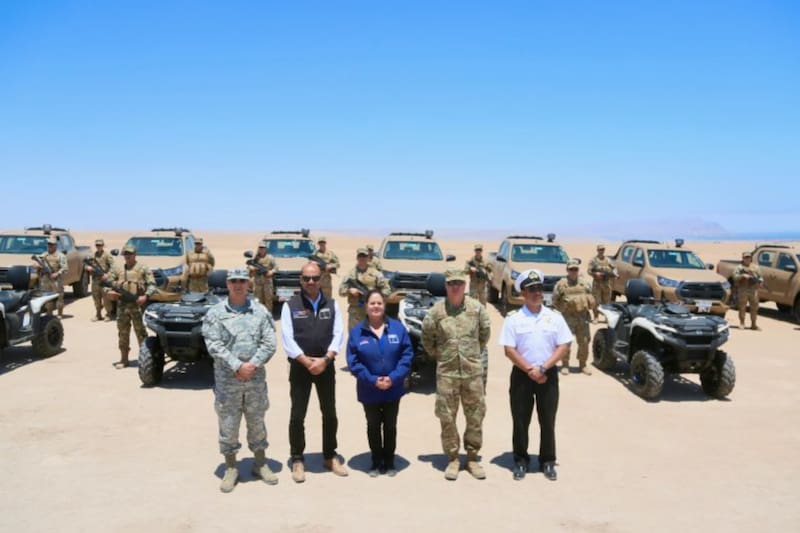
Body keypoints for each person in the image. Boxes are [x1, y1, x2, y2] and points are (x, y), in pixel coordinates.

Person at [202, 268, 278, 493]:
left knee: (257, 421)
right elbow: (213, 344)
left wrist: (252, 365)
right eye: (234, 281)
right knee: (228, 423)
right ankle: (231, 467)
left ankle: (260, 463)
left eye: (242, 281)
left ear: (248, 284)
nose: (238, 285)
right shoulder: (215, 313)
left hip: (254, 380)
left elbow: (269, 343)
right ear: (227, 284)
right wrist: (237, 365)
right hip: (228, 381)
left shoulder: (260, 311)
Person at [499, 269, 572, 481]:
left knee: (548, 420)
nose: (537, 293)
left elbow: (564, 345)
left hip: (548, 375)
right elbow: (509, 349)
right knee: (520, 420)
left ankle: (547, 461)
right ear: (523, 293)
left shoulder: (554, 317)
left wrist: (543, 368)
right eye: (532, 289)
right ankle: (521, 460)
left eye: (539, 288)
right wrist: (530, 369)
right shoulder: (513, 319)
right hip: (522, 375)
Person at [421, 269, 491, 481]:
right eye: (451, 283)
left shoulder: (477, 309)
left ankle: (472, 457)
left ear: (465, 285)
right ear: (446, 286)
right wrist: (442, 356)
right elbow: (427, 338)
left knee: (475, 416)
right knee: (447, 417)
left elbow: (484, 336)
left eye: (459, 283)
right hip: (447, 374)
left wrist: (471, 355)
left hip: (472, 374)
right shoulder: (436, 312)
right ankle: (452, 458)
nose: (455, 287)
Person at [281, 261, 347, 482]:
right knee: (297, 414)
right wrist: (306, 361)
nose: (311, 282)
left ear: (321, 279)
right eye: (307, 278)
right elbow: (287, 338)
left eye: (315, 278)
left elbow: (338, 334)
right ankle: (297, 459)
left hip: (325, 365)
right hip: (300, 367)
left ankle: (330, 456)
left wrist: (326, 359)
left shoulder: (332, 305)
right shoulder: (290, 305)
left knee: (329, 413)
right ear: (300, 280)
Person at [346, 289, 414, 477]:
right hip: (369, 389)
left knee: (390, 425)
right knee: (373, 425)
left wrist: (394, 377)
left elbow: (407, 355)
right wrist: (373, 380)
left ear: (384, 306)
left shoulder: (398, 328)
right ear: (366, 307)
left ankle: (389, 461)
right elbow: (353, 362)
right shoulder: (357, 332)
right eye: (372, 303)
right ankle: (376, 461)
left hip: (393, 387)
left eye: (379, 303)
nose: (376, 306)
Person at [105, 244, 158, 368]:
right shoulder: (117, 269)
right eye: (126, 254)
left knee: (141, 332)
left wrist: (145, 296)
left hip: (137, 305)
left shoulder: (143, 268)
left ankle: (145, 360)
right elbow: (107, 282)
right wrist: (109, 292)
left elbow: (152, 285)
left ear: (135, 254)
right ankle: (124, 359)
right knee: (123, 332)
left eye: (130, 254)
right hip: (122, 305)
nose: (127, 256)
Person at [552, 259, 595, 375]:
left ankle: (583, 364)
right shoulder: (561, 284)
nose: (573, 271)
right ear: (567, 270)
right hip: (567, 317)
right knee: (566, 342)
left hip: (582, 317)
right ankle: (565, 364)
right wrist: (562, 308)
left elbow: (591, 297)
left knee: (584, 342)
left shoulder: (584, 284)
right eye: (571, 269)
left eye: (575, 269)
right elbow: (554, 300)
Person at [339, 248, 391, 331]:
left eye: (364, 256)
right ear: (357, 258)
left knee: (373, 333)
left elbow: (387, 290)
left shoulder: (376, 273)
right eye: (360, 256)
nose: (362, 259)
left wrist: (377, 297)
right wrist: (349, 290)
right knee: (355, 334)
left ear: (368, 258)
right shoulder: (350, 274)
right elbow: (341, 291)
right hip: (356, 311)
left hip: (373, 310)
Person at [33, 236, 67, 318]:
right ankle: (49, 314)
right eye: (48, 244)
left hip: (56, 279)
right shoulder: (44, 255)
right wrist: (37, 266)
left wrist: (57, 273)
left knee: (59, 296)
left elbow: (65, 268)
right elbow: (36, 263)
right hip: (45, 279)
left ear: (55, 245)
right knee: (47, 297)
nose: (50, 246)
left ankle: (59, 314)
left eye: (52, 244)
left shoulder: (60, 256)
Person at [84, 239, 115, 321]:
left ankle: (108, 314)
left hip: (104, 280)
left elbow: (113, 267)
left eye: (100, 245)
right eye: (97, 245)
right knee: (96, 298)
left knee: (106, 298)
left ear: (103, 246)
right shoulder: (93, 255)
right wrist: (87, 267)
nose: (98, 247)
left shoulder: (107, 255)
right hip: (95, 280)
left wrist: (107, 274)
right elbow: (85, 264)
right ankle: (98, 314)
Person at [732, 251, 764, 330]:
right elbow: (734, 276)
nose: (747, 259)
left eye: (749, 257)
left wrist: (760, 281)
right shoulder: (739, 267)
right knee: (742, 307)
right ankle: (742, 323)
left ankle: (753, 324)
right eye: (746, 257)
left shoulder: (756, 267)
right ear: (743, 258)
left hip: (753, 290)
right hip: (743, 289)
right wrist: (742, 276)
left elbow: (760, 276)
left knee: (754, 307)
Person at [588, 244, 617, 320]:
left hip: (606, 283)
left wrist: (614, 274)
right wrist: (595, 274)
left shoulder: (608, 260)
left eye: (603, 249)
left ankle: (607, 318)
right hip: (597, 284)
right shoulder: (593, 260)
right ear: (597, 250)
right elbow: (589, 271)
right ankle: (596, 317)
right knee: (596, 301)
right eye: (600, 249)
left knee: (607, 301)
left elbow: (614, 268)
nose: (601, 251)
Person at [249, 240, 278, 311]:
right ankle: (259, 314)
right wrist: (252, 268)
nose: (262, 249)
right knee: (258, 300)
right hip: (257, 283)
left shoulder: (270, 258)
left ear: (266, 249)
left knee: (268, 300)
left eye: (263, 248)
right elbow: (249, 266)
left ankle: (268, 314)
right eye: (260, 248)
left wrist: (271, 272)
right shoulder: (255, 258)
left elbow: (276, 267)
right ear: (258, 249)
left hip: (267, 283)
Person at [310, 236, 340, 300]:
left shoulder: (330, 253)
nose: (322, 244)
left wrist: (331, 266)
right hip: (317, 278)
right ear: (318, 244)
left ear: (325, 243)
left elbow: (337, 264)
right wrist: (313, 263)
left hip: (327, 279)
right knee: (316, 297)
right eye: (320, 242)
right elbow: (309, 263)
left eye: (323, 242)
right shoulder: (315, 254)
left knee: (328, 297)